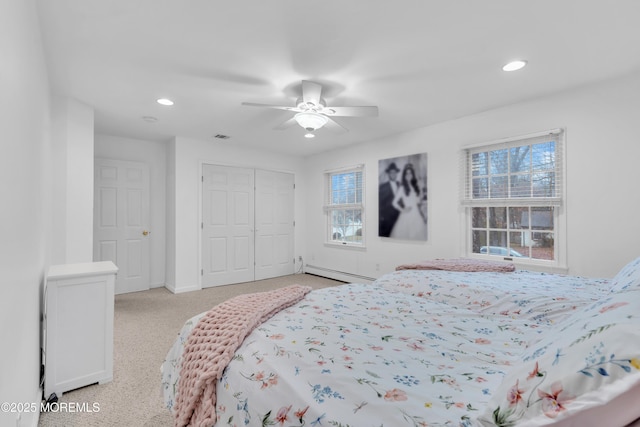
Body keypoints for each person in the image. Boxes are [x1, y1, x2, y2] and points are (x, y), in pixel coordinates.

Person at [390, 163, 427, 240]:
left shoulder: (415, 187)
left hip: (416, 215)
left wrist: (420, 191)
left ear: (413, 175)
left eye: (410, 173)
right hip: (406, 216)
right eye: (406, 173)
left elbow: (418, 202)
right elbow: (394, 202)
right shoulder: (402, 188)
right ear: (404, 175)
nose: (408, 175)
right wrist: (403, 210)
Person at [378, 162, 401, 237]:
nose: (393, 174)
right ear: (388, 174)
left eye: (394, 172)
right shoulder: (383, 187)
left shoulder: (400, 185)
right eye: (391, 172)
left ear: (397, 173)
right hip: (387, 219)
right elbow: (380, 204)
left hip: (399, 217)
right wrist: (382, 218)